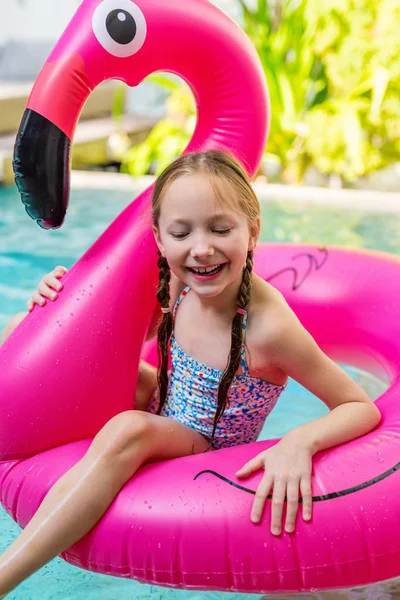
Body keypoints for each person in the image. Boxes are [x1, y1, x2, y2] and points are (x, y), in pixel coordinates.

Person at [0, 150, 380, 598]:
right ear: (160, 239)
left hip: (206, 442)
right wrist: (59, 304)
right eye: (182, 232)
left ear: (252, 230)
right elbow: (108, 340)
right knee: (15, 330)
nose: (202, 248)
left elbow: (358, 406)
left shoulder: (269, 326)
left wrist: (299, 441)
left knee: (128, 430)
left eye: (221, 229)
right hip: (164, 402)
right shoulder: (179, 281)